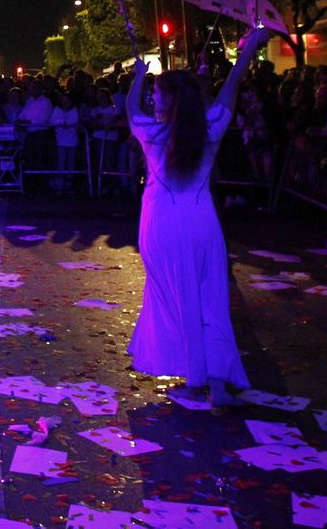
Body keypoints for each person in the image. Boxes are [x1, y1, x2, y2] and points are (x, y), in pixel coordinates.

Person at [126, 27, 270, 407]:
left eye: (157, 97)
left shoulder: (150, 131)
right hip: (201, 223)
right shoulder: (212, 127)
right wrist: (247, 53)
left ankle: (195, 373)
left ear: (170, 100)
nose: (153, 103)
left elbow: (131, 110)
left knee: (176, 300)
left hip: (161, 226)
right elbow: (232, 88)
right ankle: (216, 383)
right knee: (211, 300)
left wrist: (139, 77)